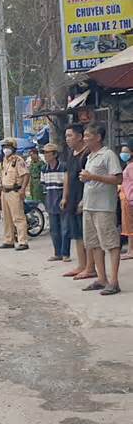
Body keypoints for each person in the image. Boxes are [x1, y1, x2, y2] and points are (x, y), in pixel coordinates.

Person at [79, 123, 123, 295]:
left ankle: (114, 281)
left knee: (111, 243)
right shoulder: (90, 157)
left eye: (88, 135)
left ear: (98, 137)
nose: (85, 138)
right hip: (90, 206)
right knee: (94, 243)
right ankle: (101, 278)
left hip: (104, 207)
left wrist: (92, 176)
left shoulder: (108, 155)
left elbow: (118, 179)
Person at [61, 124, 97, 279]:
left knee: (87, 234)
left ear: (80, 136)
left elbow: (90, 180)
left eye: (70, 135)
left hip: (86, 199)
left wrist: (84, 200)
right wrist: (65, 196)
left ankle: (91, 267)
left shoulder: (87, 154)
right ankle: (81, 265)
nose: (67, 139)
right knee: (77, 234)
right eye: (66, 136)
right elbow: (68, 176)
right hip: (72, 198)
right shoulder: (70, 153)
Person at [0, 138, 30, 250]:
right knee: (7, 218)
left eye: (8, 147)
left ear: (13, 148)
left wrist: (23, 190)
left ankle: (23, 241)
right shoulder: (3, 161)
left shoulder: (18, 160)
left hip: (14, 191)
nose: (6, 149)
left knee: (18, 218)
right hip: (4, 192)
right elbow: (1, 179)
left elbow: (25, 175)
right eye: (4, 147)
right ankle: (8, 241)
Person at [40, 143, 70, 261]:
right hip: (50, 200)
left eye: (48, 153)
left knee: (65, 228)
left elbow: (66, 185)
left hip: (62, 199)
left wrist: (64, 198)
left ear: (54, 154)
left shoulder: (63, 167)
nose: (45, 155)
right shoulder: (44, 169)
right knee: (54, 230)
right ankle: (57, 253)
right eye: (45, 153)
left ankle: (65, 253)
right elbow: (44, 187)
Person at [119, 143, 132, 260]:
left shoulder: (131, 167)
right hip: (126, 198)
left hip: (129, 199)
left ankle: (131, 250)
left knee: (129, 226)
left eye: (126, 151)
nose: (123, 154)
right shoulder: (128, 166)